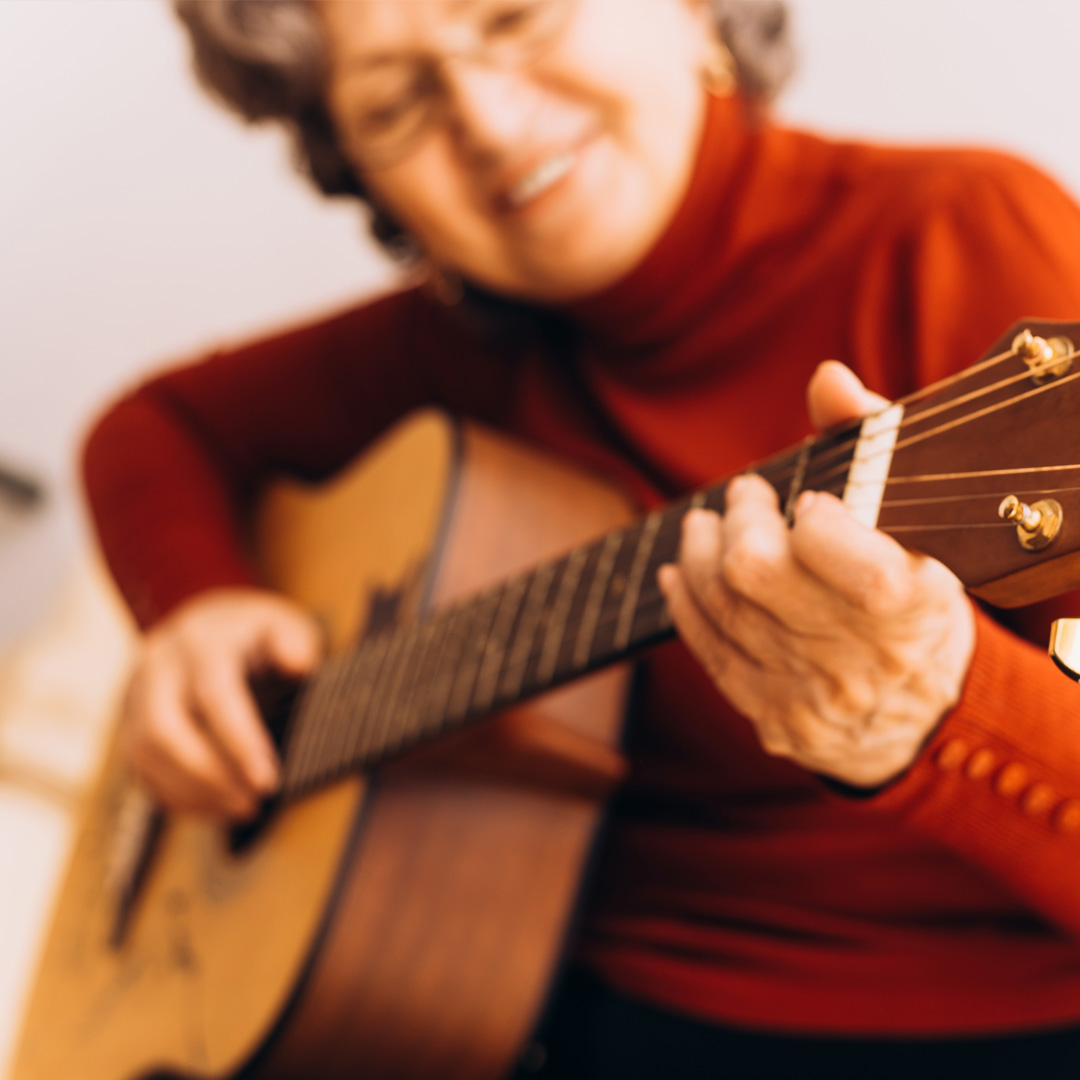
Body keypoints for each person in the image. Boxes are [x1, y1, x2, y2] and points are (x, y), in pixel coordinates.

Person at [82, 1, 1080, 1076]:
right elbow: (151, 430)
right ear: (361, 178)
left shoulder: (961, 236)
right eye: (395, 104)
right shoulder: (454, 343)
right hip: (491, 990)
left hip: (925, 1028)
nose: (492, 123)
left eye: (516, 17)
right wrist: (195, 606)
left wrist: (944, 715)